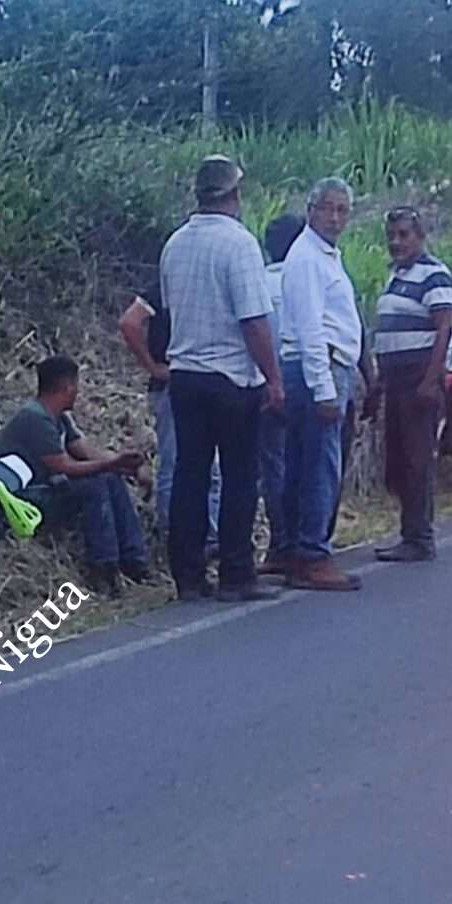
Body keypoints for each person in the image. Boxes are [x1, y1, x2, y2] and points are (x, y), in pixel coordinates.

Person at [158, 155, 285, 602]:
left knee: (190, 476)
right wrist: (274, 378)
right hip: (231, 377)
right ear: (234, 193)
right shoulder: (240, 244)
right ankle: (236, 572)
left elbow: (171, 311)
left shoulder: (175, 244)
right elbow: (253, 320)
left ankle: (188, 575)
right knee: (239, 477)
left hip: (186, 374)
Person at [0, 356, 151, 595]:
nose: (78, 391)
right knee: (94, 485)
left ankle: (134, 561)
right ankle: (103, 568)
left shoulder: (60, 418)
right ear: (66, 386)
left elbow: (87, 452)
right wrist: (112, 464)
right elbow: (64, 467)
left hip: (46, 489)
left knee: (108, 478)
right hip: (23, 499)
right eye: (76, 385)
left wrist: (128, 466)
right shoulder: (34, 418)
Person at [274, 177, 364, 592]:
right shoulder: (308, 258)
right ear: (310, 210)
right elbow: (310, 328)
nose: (334, 217)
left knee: (303, 464)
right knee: (320, 467)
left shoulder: (324, 256)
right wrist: (325, 390)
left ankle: (294, 548)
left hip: (318, 367)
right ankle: (312, 552)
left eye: (342, 209)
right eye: (326, 208)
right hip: (319, 367)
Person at [369, 206, 452, 563]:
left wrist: (430, 380)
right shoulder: (396, 276)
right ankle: (409, 532)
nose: (396, 242)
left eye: (404, 235)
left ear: (420, 236)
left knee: (418, 458)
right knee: (399, 459)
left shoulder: (434, 274)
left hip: (418, 378)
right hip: (394, 380)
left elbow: (444, 329)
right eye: (392, 235)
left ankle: (419, 537)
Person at [118, 272, 221, 552]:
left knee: (206, 468)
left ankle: (207, 539)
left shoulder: (187, 288)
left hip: (191, 382)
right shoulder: (165, 287)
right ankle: (176, 539)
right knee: (176, 464)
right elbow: (129, 323)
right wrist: (153, 367)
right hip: (173, 385)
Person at [259, 214, 304, 574]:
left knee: (273, 467)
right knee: (310, 461)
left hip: (265, 384)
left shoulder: (258, 281)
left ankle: (282, 542)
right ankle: (308, 541)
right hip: (306, 379)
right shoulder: (307, 277)